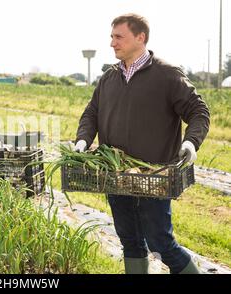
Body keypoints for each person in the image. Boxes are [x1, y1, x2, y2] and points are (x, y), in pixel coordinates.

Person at [74, 13, 210, 274]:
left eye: (118, 37)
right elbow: (92, 113)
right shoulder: (108, 78)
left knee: (161, 243)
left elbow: (198, 111)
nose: (112, 43)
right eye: (111, 37)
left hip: (152, 177)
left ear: (140, 37)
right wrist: (83, 140)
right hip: (115, 175)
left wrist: (191, 143)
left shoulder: (167, 75)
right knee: (130, 242)